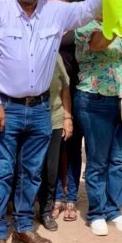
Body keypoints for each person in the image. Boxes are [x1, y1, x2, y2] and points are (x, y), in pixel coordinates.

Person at [0, 0, 102, 243]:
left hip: (41, 108)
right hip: (6, 109)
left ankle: (24, 228)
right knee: (1, 173)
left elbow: (88, 9)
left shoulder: (54, 12)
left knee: (32, 173)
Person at [75, 20, 122, 235]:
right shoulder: (86, 27)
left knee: (117, 159)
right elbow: (98, 44)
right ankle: (96, 212)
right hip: (96, 101)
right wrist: (116, 22)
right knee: (98, 160)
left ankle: (113, 209)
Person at [45, 0, 83, 223]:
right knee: (54, 147)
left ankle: (72, 196)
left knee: (73, 145)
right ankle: (56, 194)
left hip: (78, 91)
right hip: (51, 94)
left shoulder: (79, 20)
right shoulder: (40, 22)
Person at [35, 55, 73, 231]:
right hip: (30, 121)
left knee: (51, 170)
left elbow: (64, 87)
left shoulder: (55, 55)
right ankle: (24, 211)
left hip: (55, 119)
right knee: (29, 170)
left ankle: (45, 211)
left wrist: (67, 117)